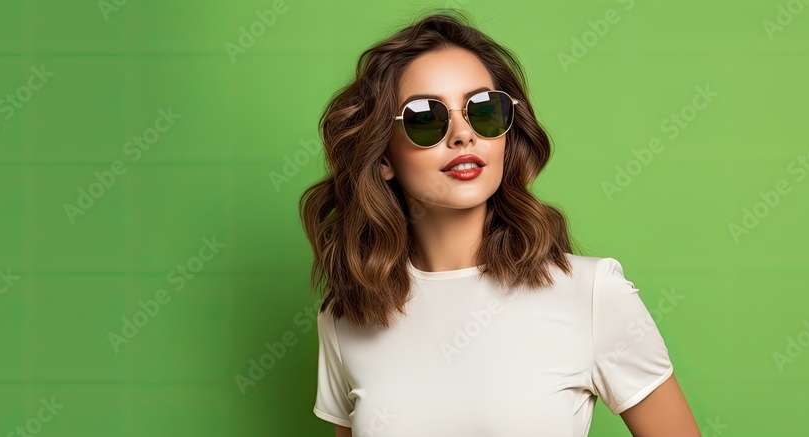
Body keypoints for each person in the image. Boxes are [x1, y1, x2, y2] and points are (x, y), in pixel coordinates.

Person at [299, 9, 699, 437]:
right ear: (382, 159)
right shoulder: (345, 317)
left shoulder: (594, 294)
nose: (463, 134)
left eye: (483, 110)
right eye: (426, 118)